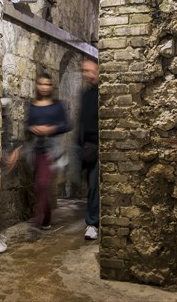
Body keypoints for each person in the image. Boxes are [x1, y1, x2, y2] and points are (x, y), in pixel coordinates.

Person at [25, 73, 71, 230]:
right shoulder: (32, 106)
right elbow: (27, 125)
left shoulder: (57, 105)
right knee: (40, 185)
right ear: (37, 86)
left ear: (51, 86)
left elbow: (67, 125)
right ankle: (45, 217)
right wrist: (33, 128)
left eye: (47, 84)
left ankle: (41, 218)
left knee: (42, 183)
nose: (44, 87)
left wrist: (52, 128)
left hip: (52, 149)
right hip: (36, 149)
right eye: (41, 84)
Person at [78, 58, 100, 241]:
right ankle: (93, 221)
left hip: (102, 146)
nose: (87, 74)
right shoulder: (86, 95)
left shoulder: (103, 92)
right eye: (84, 71)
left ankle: (92, 223)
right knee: (92, 186)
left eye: (90, 70)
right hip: (89, 148)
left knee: (94, 185)